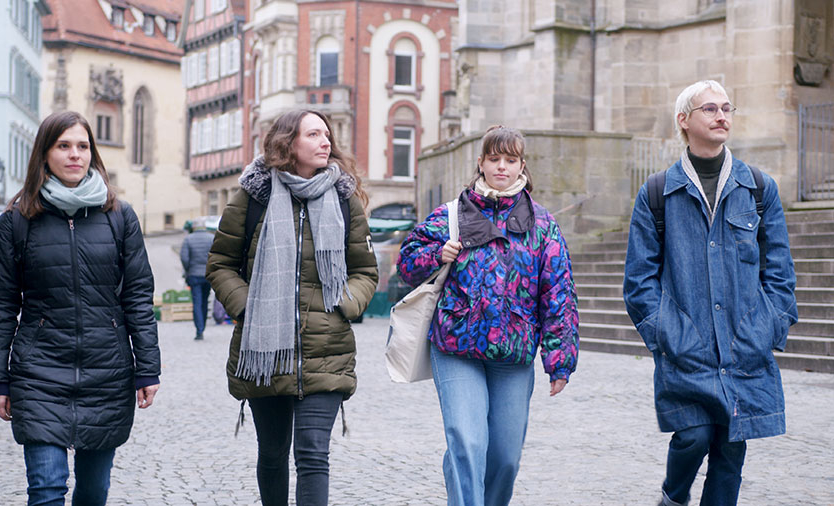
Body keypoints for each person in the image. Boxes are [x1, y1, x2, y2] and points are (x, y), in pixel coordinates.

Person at [623, 80, 798, 506]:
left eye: (726, 108)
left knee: (731, 449)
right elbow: (638, 281)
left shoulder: (758, 188)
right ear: (683, 121)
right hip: (687, 347)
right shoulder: (657, 193)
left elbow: (779, 270)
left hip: (745, 346)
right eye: (709, 109)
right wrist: (668, 334)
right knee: (694, 436)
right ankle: (674, 497)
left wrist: (769, 325)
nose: (722, 116)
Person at [0, 111, 160, 505]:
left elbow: (137, 298)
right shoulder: (16, 221)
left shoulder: (119, 216)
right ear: (44, 154)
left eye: (82, 146)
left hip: (106, 371)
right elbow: (1, 305)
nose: (75, 155)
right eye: (63, 146)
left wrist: (147, 367)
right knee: (45, 489)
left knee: (94, 491)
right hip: (39, 371)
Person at [397, 125, 579, 506]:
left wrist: (559, 360)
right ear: (480, 163)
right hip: (455, 347)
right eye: (494, 159)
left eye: (509, 160)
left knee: (505, 458)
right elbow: (406, 262)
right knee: (467, 440)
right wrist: (437, 255)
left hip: (513, 355)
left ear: (521, 166)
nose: (501, 167)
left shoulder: (542, 225)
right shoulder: (451, 215)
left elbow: (558, 293)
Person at [206, 109, 378, 506]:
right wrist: (251, 307)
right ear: (289, 143)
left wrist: (344, 303)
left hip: (326, 348)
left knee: (314, 453)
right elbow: (220, 263)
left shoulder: (343, 198)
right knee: (272, 454)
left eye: (327, 135)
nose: (325, 142)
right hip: (265, 346)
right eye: (314, 134)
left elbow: (366, 270)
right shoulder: (253, 197)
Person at [180, 216, 215, 340]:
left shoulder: (188, 239)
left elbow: (184, 258)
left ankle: (199, 330)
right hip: (207, 275)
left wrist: (188, 269)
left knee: (197, 302)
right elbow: (215, 256)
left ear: (194, 227)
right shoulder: (211, 238)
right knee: (205, 301)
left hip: (194, 275)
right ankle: (203, 326)